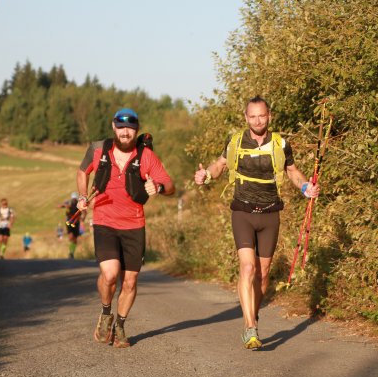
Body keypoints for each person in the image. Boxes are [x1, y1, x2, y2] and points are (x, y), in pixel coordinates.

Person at [194, 96, 320, 349]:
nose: (257, 120)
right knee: (248, 268)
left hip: (270, 214)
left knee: (262, 277)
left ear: (269, 116)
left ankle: (254, 313)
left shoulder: (280, 143)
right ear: (246, 117)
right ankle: (250, 327)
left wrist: (306, 186)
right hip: (242, 211)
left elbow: (292, 171)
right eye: (252, 116)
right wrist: (206, 174)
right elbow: (219, 165)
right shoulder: (235, 141)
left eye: (261, 115)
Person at [76, 108, 175, 349]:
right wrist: (82, 196)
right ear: (113, 127)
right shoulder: (99, 150)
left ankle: (120, 325)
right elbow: (82, 171)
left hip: (134, 225)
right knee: (110, 274)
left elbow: (169, 184)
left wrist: (158, 189)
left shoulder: (146, 156)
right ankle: (105, 313)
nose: (125, 132)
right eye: (121, 127)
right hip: (104, 221)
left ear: (136, 130)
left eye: (130, 128)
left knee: (129, 282)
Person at [58, 192, 84, 259]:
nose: (74, 200)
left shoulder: (79, 204)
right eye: (73, 199)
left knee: (74, 239)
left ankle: (72, 252)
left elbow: (84, 211)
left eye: (75, 199)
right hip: (69, 222)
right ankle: (71, 252)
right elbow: (64, 205)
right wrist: (62, 206)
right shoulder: (69, 203)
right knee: (71, 237)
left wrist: (82, 218)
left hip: (76, 222)